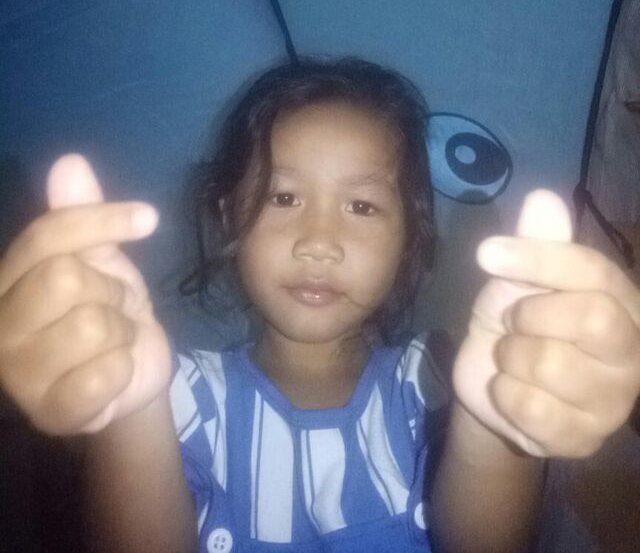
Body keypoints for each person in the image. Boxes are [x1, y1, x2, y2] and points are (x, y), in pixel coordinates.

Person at [0, 57, 639, 553]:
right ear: (228, 213)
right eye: (283, 197)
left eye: (362, 206)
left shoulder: (431, 382)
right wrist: (133, 411)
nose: (319, 242)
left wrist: (494, 426)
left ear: (409, 239)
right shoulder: (182, 394)